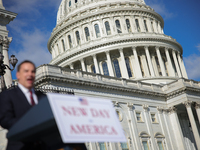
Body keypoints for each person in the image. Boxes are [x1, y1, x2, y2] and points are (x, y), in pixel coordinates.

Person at [0, 60, 87, 150]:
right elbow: (5, 120)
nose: (30, 74)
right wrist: (33, 124)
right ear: (18, 75)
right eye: (26, 71)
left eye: (33, 71)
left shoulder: (42, 96)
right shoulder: (8, 95)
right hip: (21, 146)